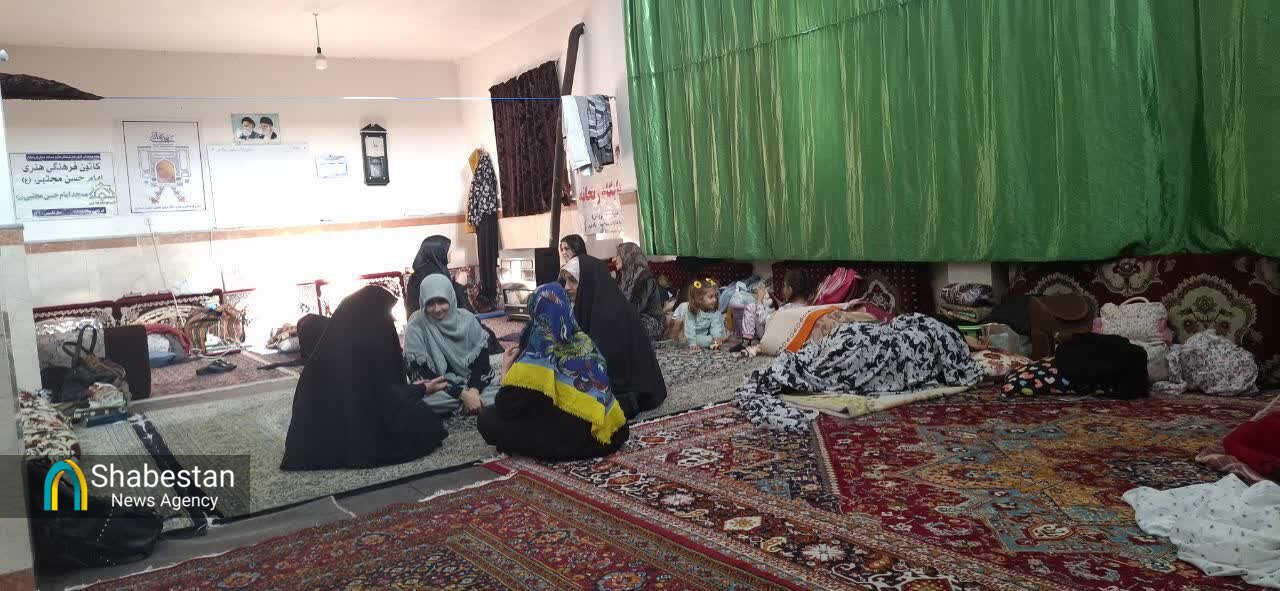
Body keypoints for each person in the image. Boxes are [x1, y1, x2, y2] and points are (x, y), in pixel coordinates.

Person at [281, 286, 446, 470]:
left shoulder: (329, 349)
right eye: (388, 313)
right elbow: (385, 399)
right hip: (357, 436)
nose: (392, 319)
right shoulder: (367, 349)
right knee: (421, 417)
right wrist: (422, 389)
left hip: (312, 446)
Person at [478, 283, 629, 461]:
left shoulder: (539, 353)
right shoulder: (585, 342)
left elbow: (507, 406)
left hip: (569, 441)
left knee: (487, 419)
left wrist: (506, 371)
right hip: (606, 438)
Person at [562, 255, 667, 418]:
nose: (566, 287)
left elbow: (609, 366)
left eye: (573, 281)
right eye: (566, 281)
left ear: (589, 282)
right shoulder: (588, 303)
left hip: (627, 389)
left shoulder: (610, 314)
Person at [404, 275, 498, 416]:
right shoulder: (416, 326)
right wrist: (461, 394)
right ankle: (474, 403)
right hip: (437, 389)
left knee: (500, 389)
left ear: (451, 297)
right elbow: (420, 373)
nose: (437, 309)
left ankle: (472, 401)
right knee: (417, 402)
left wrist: (473, 391)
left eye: (442, 301)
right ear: (423, 303)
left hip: (469, 381)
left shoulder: (468, 320)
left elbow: (482, 364)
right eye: (430, 303)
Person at [406, 235, 471, 317]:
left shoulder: (427, 270)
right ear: (437, 252)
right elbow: (443, 307)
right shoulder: (431, 276)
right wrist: (459, 286)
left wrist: (455, 281)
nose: (450, 253)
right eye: (447, 250)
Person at [615, 242, 665, 341]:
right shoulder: (623, 277)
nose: (614, 259)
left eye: (618, 255)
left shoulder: (645, 278)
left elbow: (637, 308)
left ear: (628, 257)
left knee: (623, 324)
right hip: (631, 318)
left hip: (650, 321)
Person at [683, 279, 726, 350]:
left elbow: (716, 325)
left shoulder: (713, 311)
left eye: (715, 296)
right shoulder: (692, 311)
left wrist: (716, 337)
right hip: (695, 337)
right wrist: (692, 343)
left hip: (708, 335)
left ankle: (717, 340)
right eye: (711, 297)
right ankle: (713, 341)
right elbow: (690, 329)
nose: (715, 299)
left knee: (718, 315)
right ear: (699, 299)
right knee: (698, 340)